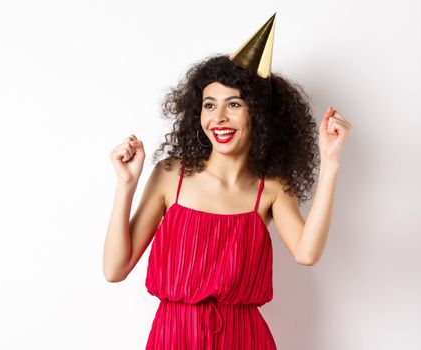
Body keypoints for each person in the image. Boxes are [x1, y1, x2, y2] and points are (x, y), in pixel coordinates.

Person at [103, 13, 352, 349]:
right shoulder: (170, 175)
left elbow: (307, 253)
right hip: (175, 338)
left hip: (244, 339)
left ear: (258, 114)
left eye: (234, 104)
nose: (218, 117)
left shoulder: (271, 189)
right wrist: (126, 185)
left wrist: (331, 163)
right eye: (209, 105)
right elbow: (114, 269)